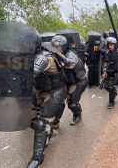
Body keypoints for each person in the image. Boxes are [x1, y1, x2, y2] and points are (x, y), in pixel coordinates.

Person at [28, 37, 67, 168]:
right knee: (29, 120)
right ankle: (49, 132)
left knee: (40, 123)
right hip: (39, 89)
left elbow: (30, 72)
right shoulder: (36, 55)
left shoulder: (43, 57)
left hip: (54, 91)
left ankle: (38, 157)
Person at [51, 35, 88, 127]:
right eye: (55, 47)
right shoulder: (55, 55)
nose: (57, 48)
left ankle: (77, 115)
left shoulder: (71, 54)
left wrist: (57, 56)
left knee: (72, 103)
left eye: (58, 46)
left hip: (78, 81)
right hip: (66, 81)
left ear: (64, 46)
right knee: (58, 101)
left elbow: (70, 64)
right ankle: (56, 120)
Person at [102, 37, 118, 109]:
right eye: (109, 45)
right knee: (106, 86)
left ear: (115, 45)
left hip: (116, 72)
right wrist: (104, 71)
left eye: (112, 45)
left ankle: (111, 102)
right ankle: (114, 92)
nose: (111, 46)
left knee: (111, 87)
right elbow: (105, 62)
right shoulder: (107, 53)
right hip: (109, 72)